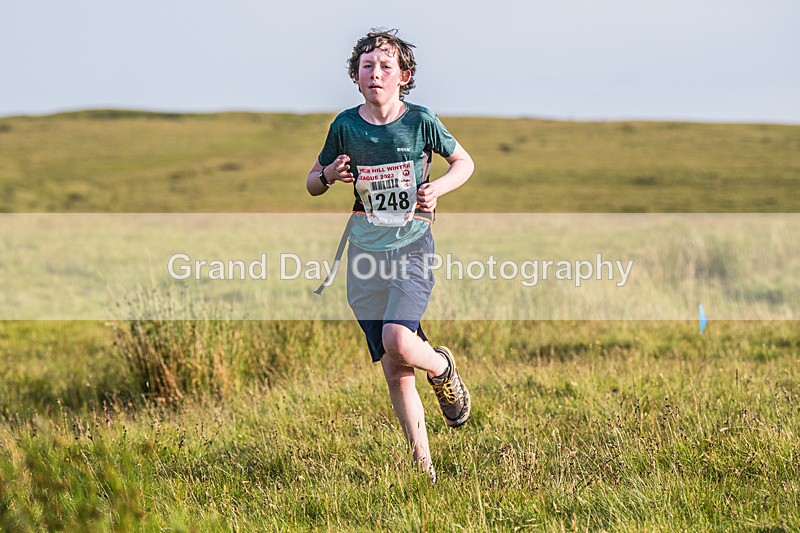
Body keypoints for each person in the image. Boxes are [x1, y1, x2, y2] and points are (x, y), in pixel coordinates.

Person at [306, 29, 474, 483]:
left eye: (385, 66)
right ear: (355, 77)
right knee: (395, 369)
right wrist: (328, 173)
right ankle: (425, 470)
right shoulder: (345, 125)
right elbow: (311, 182)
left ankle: (442, 367)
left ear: (404, 75)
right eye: (366, 66)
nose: (375, 73)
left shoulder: (419, 120)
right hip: (364, 256)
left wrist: (436, 187)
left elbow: (464, 162)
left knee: (401, 342)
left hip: (412, 249)